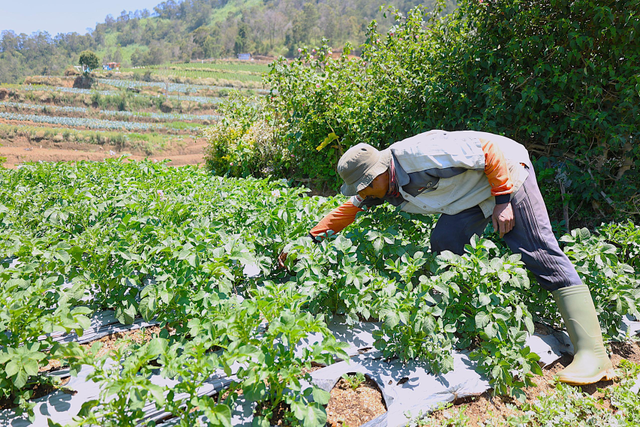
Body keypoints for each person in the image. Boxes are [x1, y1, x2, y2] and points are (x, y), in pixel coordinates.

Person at [301, 129, 613, 385]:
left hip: (507, 172)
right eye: (362, 188)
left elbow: (489, 149)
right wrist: (310, 240)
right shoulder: (382, 186)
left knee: (538, 251)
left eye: (366, 186)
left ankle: (593, 354)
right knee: (445, 240)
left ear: (379, 171)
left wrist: (503, 200)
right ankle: (454, 313)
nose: (365, 192)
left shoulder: (418, 154)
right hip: (472, 194)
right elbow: (349, 209)